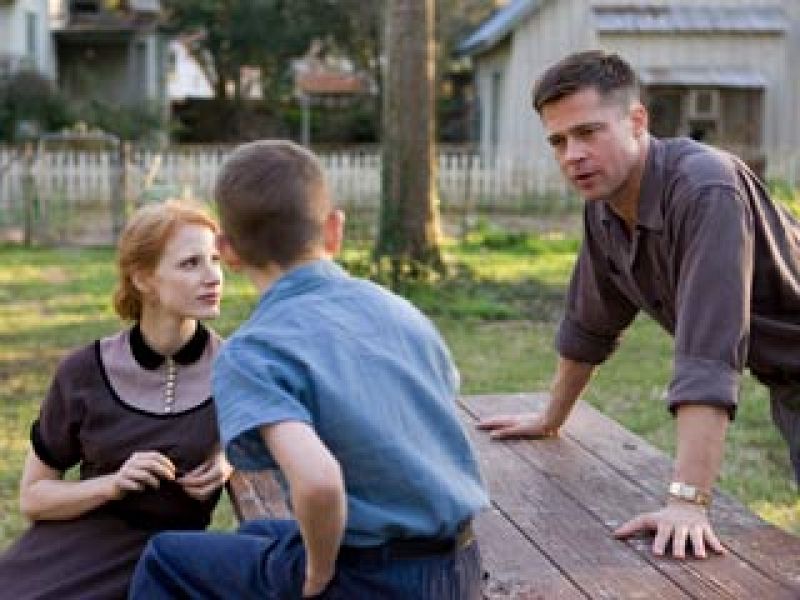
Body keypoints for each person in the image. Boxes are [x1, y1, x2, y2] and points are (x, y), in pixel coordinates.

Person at [129, 140, 489, 599]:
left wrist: (317, 574)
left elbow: (318, 483)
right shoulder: (400, 312)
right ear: (334, 229)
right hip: (457, 563)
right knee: (258, 536)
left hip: (374, 580)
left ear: (228, 251)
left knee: (166, 558)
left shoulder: (254, 352)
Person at [478, 50, 800, 560]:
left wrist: (687, 502)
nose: (572, 155)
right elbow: (590, 324)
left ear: (636, 121)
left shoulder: (705, 189)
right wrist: (551, 416)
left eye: (588, 132)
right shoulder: (604, 209)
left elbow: (709, 355)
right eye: (558, 141)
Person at [0, 201, 231, 599]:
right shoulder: (83, 372)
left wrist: (231, 457)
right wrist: (113, 484)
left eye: (215, 260)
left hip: (164, 561)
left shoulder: (236, 372)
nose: (213, 277)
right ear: (143, 279)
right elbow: (33, 497)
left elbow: (282, 448)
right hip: (68, 550)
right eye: (191, 264)